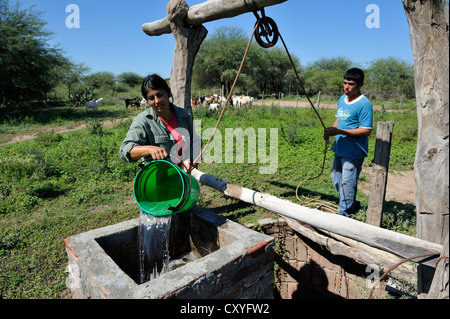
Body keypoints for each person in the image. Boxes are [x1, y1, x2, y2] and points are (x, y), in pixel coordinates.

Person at [119, 74, 201, 171]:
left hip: (185, 178)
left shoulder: (183, 115)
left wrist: (189, 158)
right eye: (151, 98)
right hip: (159, 180)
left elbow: (195, 141)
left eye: (160, 95)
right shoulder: (143, 121)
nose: (157, 101)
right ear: (147, 101)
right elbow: (125, 150)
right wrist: (150, 149)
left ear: (169, 93)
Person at [324, 68, 373, 217]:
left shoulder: (365, 104)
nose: (346, 87)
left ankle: (344, 213)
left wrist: (340, 132)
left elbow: (366, 130)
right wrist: (331, 130)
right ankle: (352, 204)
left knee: (348, 182)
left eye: (350, 84)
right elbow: (340, 118)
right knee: (336, 179)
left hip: (354, 151)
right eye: (345, 83)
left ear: (360, 85)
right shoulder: (342, 99)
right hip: (340, 147)